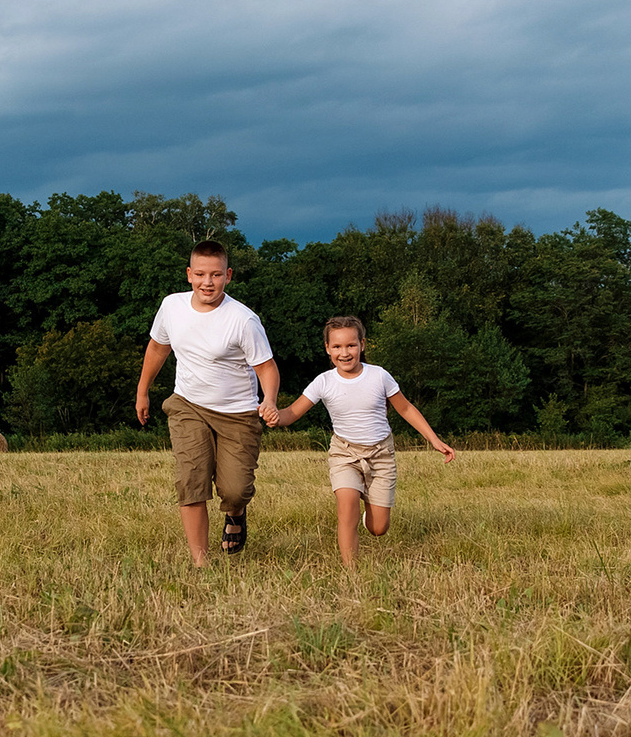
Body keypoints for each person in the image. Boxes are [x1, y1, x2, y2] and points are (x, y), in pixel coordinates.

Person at [265, 315, 455, 566]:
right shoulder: (323, 381)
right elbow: (292, 413)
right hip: (344, 453)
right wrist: (275, 416)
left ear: (362, 344)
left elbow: (406, 408)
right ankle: (351, 571)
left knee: (378, 528)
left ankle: (371, 512)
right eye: (337, 346)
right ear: (327, 349)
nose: (344, 353)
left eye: (351, 345)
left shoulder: (379, 376)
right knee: (347, 510)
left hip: (380, 454)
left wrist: (434, 440)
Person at [135, 241, 279, 566]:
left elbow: (267, 368)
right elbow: (158, 348)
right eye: (200, 274)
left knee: (235, 490)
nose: (207, 282)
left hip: (237, 413)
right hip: (188, 405)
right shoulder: (171, 307)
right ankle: (201, 563)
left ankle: (236, 513)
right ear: (189, 274)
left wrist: (269, 400)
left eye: (215, 274)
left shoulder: (243, 320)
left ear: (228, 275)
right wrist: (143, 390)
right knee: (191, 480)